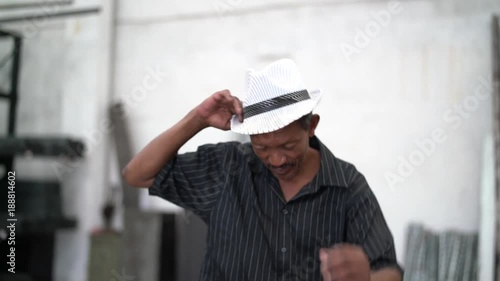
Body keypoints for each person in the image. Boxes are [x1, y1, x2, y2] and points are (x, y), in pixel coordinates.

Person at [123, 59, 403, 281]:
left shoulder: (346, 186)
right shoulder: (227, 168)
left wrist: (365, 277)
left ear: (312, 126)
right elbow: (138, 174)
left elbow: (390, 271)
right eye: (262, 148)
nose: (277, 160)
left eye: (288, 145)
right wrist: (198, 119)